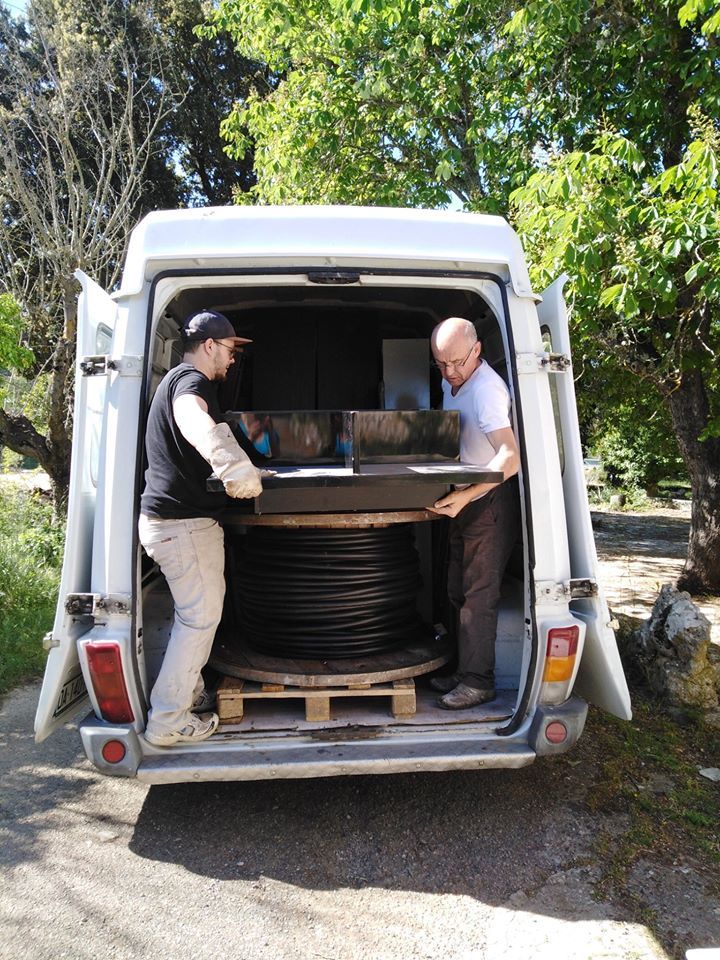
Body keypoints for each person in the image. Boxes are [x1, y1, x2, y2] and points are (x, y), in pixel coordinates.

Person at [138, 309, 268, 746]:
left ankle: (189, 693)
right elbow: (193, 418)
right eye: (230, 350)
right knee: (200, 620)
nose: (232, 360)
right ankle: (168, 721)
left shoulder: (172, 379)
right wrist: (231, 462)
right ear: (209, 345)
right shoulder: (189, 383)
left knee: (191, 617)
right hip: (183, 527)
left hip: (172, 525)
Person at [428, 317, 521, 709]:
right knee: (455, 588)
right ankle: (461, 670)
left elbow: (511, 458)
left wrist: (468, 496)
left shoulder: (487, 391)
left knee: (478, 597)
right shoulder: (455, 382)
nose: (450, 372)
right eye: (441, 364)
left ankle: (478, 682)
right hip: (466, 497)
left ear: (477, 350)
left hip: (489, 502)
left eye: (457, 362)